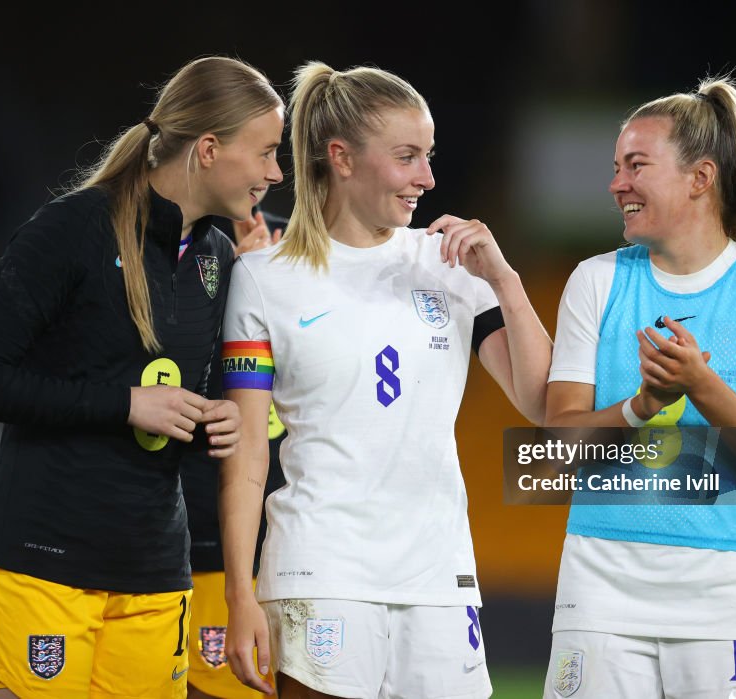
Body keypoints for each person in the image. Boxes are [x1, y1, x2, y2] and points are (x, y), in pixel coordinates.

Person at [0, 55, 284, 699]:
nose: (276, 172)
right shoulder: (70, 230)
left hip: (155, 577)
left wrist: (212, 415)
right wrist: (123, 404)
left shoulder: (216, 256)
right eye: (267, 151)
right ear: (209, 149)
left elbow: (178, 398)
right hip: (37, 566)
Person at [219, 61, 553, 698]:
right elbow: (247, 454)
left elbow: (543, 403)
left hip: (438, 574)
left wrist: (504, 280)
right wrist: (241, 592)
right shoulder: (264, 278)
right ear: (341, 158)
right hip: (320, 572)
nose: (427, 178)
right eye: (407, 157)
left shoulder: (450, 265)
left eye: (429, 156)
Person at [542, 76, 736, 698]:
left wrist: (701, 385)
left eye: (636, 165)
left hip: (730, 592)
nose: (617, 184)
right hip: (602, 587)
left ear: (700, 178)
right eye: (616, 167)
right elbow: (555, 450)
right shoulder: (593, 282)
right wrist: (642, 406)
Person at [183, 204, 288, 699]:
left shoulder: (300, 258)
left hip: (291, 553)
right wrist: (232, 294)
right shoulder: (196, 258)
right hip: (208, 547)